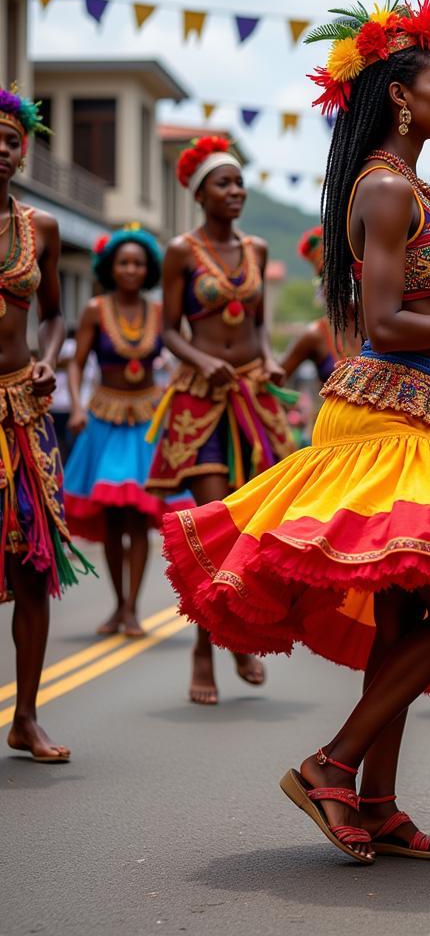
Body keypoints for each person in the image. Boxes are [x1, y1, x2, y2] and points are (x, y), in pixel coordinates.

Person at [163, 0, 430, 864]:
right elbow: (387, 321)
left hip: (425, 410)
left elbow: (425, 313)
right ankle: (332, 765)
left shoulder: (409, 186)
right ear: (401, 96)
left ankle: (378, 803)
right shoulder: (388, 189)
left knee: (413, 620)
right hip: (383, 414)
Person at [146, 134, 295, 705]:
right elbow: (167, 333)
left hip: (253, 398)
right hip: (203, 403)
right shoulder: (181, 251)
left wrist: (271, 358)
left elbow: (257, 324)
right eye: (223, 183)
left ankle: (234, 638)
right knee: (217, 526)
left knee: (252, 527)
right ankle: (206, 650)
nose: (235, 192)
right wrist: (205, 360)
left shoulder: (255, 248)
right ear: (199, 193)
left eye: (238, 182)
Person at [0, 87, 92, 762]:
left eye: (12, 140)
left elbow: (57, 314)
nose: (3, 150)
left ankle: (25, 717)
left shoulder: (42, 228)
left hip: (23, 412)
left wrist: (50, 359)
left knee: (31, 568)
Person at [64, 226, 186, 637]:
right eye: (123, 263)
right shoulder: (95, 309)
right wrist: (78, 407)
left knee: (139, 519)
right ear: (110, 268)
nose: (131, 269)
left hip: (148, 424)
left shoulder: (158, 313)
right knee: (113, 520)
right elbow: (76, 363)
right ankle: (118, 606)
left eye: (138, 263)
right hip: (104, 420)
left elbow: (180, 355)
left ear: (148, 268)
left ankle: (132, 609)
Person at [280, 224, 362, 384]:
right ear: (321, 285)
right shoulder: (315, 335)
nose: (341, 282)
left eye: (346, 272)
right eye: (328, 276)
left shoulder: (381, 323)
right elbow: (276, 380)